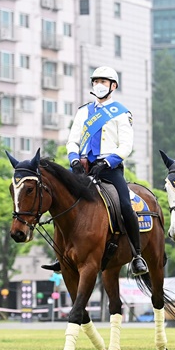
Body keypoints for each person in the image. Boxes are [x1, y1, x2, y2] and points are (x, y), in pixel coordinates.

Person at [41, 66, 148, 276]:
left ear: (113, 86)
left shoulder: (121, 113)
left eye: (103, 82)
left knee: (125, 205)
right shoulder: (83, 112)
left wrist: (107, 162)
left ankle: (136, 255)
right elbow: (72, 140)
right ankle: (61, 253)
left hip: (109, 169)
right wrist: (73, 159)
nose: (98, 85)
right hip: (83, 169)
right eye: (96, 81)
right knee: (63, 205)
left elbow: (126, 145)